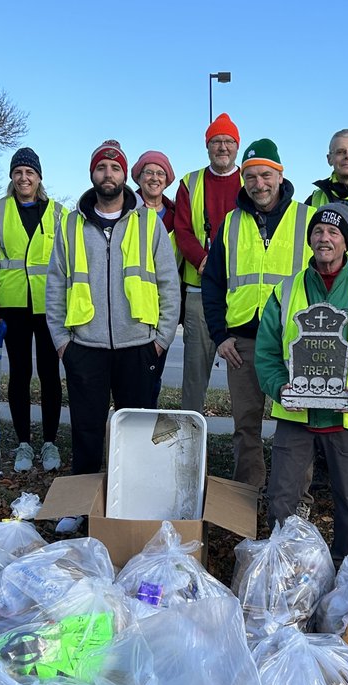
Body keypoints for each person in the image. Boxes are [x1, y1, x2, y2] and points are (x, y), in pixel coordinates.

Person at [256, 203, 348, 563]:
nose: (324, 238)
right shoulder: (285, 291)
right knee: (282, 498)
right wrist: (279, 388)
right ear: (310, 239)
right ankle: (285, 569)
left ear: (345, 242)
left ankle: (346, 570)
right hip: (297, 413)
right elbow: (267, 353)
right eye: (318, 231)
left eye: (334, 232)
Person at [46, 139, 180, 497]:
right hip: (84, 346)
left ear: (125, 175)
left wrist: (162, 339)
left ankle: (134, 500)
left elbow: (169, 283)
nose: (109, 174)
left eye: (116, 167)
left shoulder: (149, 223)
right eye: (102, 168)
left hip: (138, 345)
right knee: (86, 429)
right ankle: (80, 503)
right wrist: (62, 342)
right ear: (92, 174)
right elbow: (56, 284)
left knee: (137, 430)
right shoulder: (70, 224)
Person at [202, 138, 314, 489]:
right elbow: (213, 282)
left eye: (266, 175)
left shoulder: (307, 220)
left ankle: (294, 500)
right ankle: (247, 495)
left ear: (280, 176)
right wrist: (220, 335)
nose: (258, 184)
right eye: (250, 177)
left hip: (293, 344)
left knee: (297, 423)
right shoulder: (231, 223)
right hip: (243, 344)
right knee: (245, 424)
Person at [0, 148, 65, 474]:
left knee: (49, 374)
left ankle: (51, 442)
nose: (24, 178)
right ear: (12, 177)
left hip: (49, 306)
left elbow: (70, 263)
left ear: (39, 177)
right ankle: (25, 443)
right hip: (12, 306)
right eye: (18, 172)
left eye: (29, 172)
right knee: (19, 375)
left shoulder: (59, 213)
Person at [173, 113, 243, 414]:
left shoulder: (250, 180)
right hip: (200, 291)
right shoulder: (190, 182)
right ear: (207, 146)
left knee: (244, 378)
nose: (223, 147)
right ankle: (189, 442)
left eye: (229, 141)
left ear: (237, 146)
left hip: (240, 295)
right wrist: (204, 263)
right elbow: (183, 230)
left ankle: (244, 448)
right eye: (216, 141)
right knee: (194, 376)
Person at [132, 149, 179, 407]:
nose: (154, 177)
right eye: (148, 172)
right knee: (131, 375)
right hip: (133, 304)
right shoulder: (126, 209)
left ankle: (147, 420)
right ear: (138, 177)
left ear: (167, 179)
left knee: (154, 372)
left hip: (163, 304)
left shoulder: (175, 214)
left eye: (160, 173)